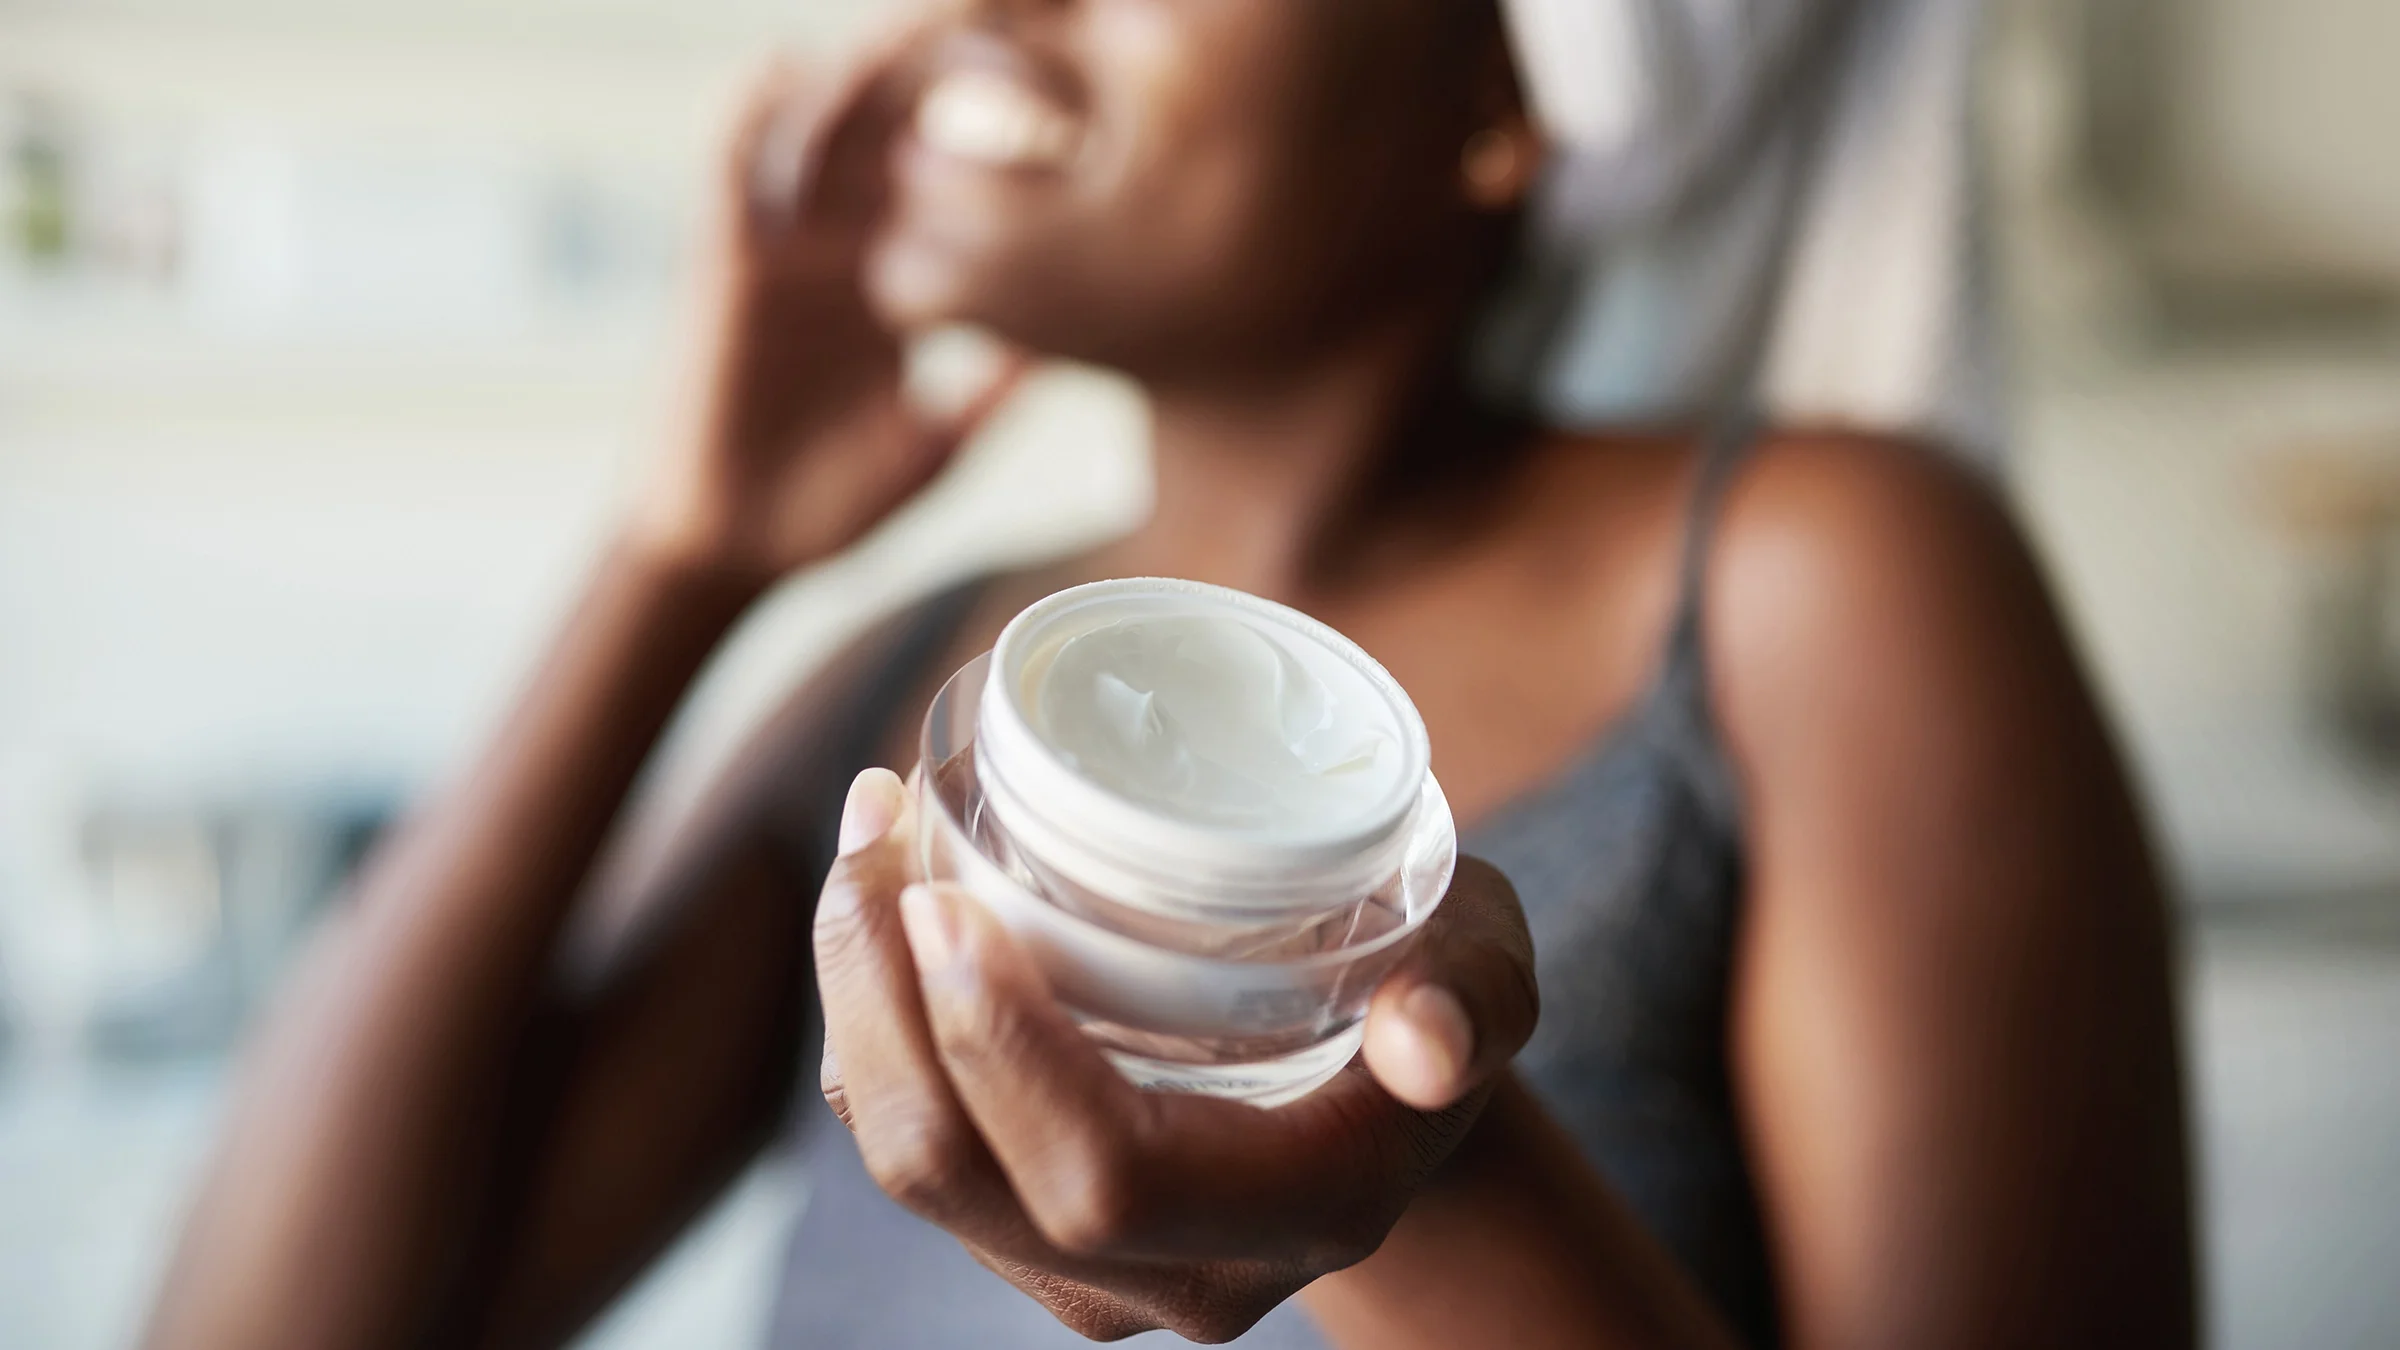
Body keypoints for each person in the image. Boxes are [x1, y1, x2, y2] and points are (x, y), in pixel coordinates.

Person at [141, 1, 2194, 1347]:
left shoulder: (1817, 584)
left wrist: (1425, 1177)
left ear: (1505, 98)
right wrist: (675, 561)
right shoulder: (911, 680)